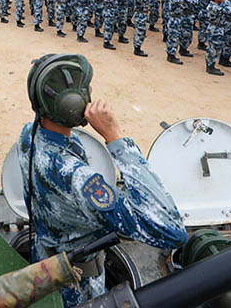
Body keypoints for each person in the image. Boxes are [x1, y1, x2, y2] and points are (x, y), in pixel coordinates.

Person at [17, 54, 187, 307]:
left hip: (46, 267)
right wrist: (114, 136)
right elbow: (172, 232)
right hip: (78, 288)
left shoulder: (29, 136)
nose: (91, 95)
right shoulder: (77, 177)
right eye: (86, 91)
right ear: (70, 104)